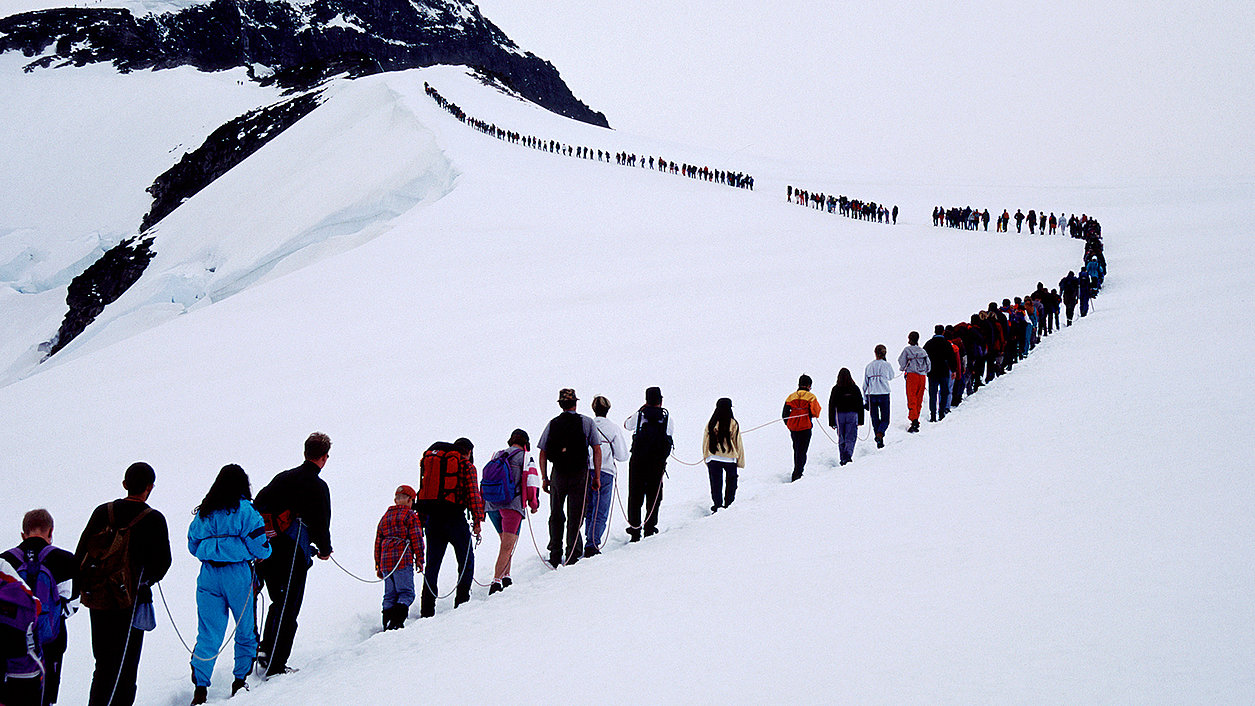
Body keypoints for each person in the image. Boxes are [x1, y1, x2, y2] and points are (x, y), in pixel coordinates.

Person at [75, 462, 171, 706]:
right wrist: (144, 580)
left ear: (125, 484)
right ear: (150, 487)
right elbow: (163, 563)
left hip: (98, 598)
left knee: (103, 664)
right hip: (133, 599)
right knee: (127, 666)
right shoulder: (154, 519)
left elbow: (81, 554)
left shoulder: (102, 512)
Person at [187, 464, 271, 704]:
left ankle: (200, 688)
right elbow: (260, 547)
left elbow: (192, 545)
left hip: (208, 574)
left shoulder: (204, 512)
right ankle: (239, 680)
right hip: (237, 574)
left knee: (208, 632)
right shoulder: (246, 510)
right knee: (244, 628)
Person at [254, 433, 333, 679]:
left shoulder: (282, 477)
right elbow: (321, 521)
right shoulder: (318, 486)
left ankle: (266, 650)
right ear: (323, 458)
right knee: (289, 607)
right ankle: (277, 664)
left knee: (278, 601)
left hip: (267, 549)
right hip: (293, 552)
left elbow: (258, 505)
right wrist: (324, 549)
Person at [2, 509, 77, 706]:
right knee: (47, 696)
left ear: (23, 534)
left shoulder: (5, 561)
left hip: (12, 644)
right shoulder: (67, 560)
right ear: (51, 532)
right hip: (51, 642)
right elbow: (71, 606)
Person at [414, 437, 482, 614]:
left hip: (433, 519)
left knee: (433, 564)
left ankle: (427, 608)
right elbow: (473, 494)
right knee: (466, 560)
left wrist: (422, 520)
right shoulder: (465, 465)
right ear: (468, 452)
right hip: (455, 518)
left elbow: (423, 490)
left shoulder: (435, 463)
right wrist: (477, 520)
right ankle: (462, 601)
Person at [538, 390, 601, 562]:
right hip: (580, 473)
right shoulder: (586, 422)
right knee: (576, 514)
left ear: (560, 404)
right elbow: (596, 448)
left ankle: (555, 553)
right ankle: (573, 552)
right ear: (576, 403)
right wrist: (596, 476)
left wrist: (544, 477)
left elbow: (543, 452)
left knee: (556, 514)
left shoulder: (553, 423)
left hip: (558, 472)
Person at [484, 431, 538, 592]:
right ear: (525, 443)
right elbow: (531, 482)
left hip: (492, 504)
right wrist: (533, 503)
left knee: (505, 543)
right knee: (507, 546)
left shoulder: (497, 455)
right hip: (512, 505)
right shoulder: (526, 457)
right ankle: (496, 582)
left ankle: (506, 577)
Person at [624, 387, 674, 539]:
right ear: (661, 400)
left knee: (635, 495)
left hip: (638, 461)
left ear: (646, 400)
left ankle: (634, 530)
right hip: (657, 463)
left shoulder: (640, 415)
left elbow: (626, 425)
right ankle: (650, 528)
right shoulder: (667, 418)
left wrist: (640, 410)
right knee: (654, 495)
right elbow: (669, 436)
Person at [373, 485, 423, 628]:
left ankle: (386, 621)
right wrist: (420, 559)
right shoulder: (410, 515)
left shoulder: (385, 516)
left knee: (389, 594)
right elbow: (416, 538)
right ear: (409, 500)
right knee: (406, 592)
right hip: (402, 559)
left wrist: (378, 564)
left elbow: (378, 541)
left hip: (386, 562)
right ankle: (396, 622)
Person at [585, 398, 628, 557]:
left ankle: (587, 539)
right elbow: (622, 455)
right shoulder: (613, 428)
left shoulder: (587, 425)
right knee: (601, 510)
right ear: (608, 409)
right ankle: (593, 543)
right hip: (605, 471)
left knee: (589, 509)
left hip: (586, 470)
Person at [701, 398, 745, 511]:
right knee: (731, 483)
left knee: (715, 483)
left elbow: (705, 442)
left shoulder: (711, 423)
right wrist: (740, 461)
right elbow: (738, 443)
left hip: (713, 457)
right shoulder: (733, 423)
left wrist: (706, 458)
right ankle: (728, 505)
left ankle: (717, 505)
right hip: (730, 458)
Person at [782, 376, 821, 481]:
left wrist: (789, 424)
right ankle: (798, 473)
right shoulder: (811, 397)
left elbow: (784, 414)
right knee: (802, 451)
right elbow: (816, 412)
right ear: (809, 386)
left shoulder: (791, 397)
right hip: (805, 427)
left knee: (796, 449)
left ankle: (797, 471)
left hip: (793, 428)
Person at [828, 369, 865, 465]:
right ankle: (847, 455)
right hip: (852, 415)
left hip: (839, 415)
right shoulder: (855, 388)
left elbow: (831, 405)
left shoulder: (835, 389)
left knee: (841, 437)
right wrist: (861, 420)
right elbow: (860, 404)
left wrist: (831, 421)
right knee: (851, 436)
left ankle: (842, 457)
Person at [863, 344, 895, 448]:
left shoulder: (869, 366)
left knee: (875, 418)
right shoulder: (886, 365)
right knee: (885, 419)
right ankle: (880, 434)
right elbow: (891, 377)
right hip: (884, 393)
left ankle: (878, 437)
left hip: (872, 394)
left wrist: (865, 400)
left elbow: (865, 384)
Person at [898, 333, 930, 433]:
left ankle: (914, 419)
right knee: (919, 397)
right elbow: (928, 364)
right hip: (922, 376)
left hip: (912, 376)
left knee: (911, 397)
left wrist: (903, 368)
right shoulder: (923, 351)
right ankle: (916, 417)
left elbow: (901, 361)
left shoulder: (907, 350)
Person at [924, 325, 953, 422]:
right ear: (943, 332)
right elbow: (951, 358)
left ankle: (933, 415)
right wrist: (954, 370)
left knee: (932, 393)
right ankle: (941, 413)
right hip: (944, 371)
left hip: (932, 372)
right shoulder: (947, 343)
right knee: (944, 392)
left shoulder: (929, 344)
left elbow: (924, 357)